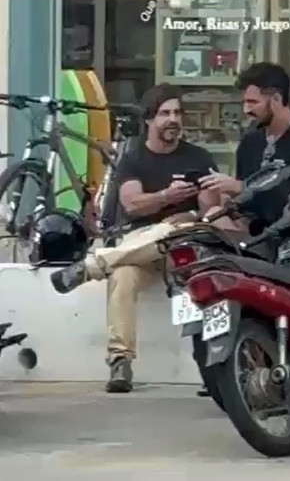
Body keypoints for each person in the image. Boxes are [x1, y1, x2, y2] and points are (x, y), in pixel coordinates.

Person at [48, 83, 226, 393]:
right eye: (165, 114)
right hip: (138, 248)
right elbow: (132, 203)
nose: (174, 120)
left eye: (178, 113)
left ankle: (89, 267)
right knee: (123, 275)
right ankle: (121, 362)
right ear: (149, 120)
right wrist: (167, 196)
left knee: (173, 228)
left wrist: (203, 203)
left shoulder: (198, 156)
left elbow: (212, 212)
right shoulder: (133, 157)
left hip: (181, 248)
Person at [197, 62, 290, 232]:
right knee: (213, 214)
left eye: (253, 102)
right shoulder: (250, 142)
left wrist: (242, 187)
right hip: (253, 231)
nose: (247, 110)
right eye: (244, 103)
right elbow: (243, 199)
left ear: (276, 99)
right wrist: (223, 196)